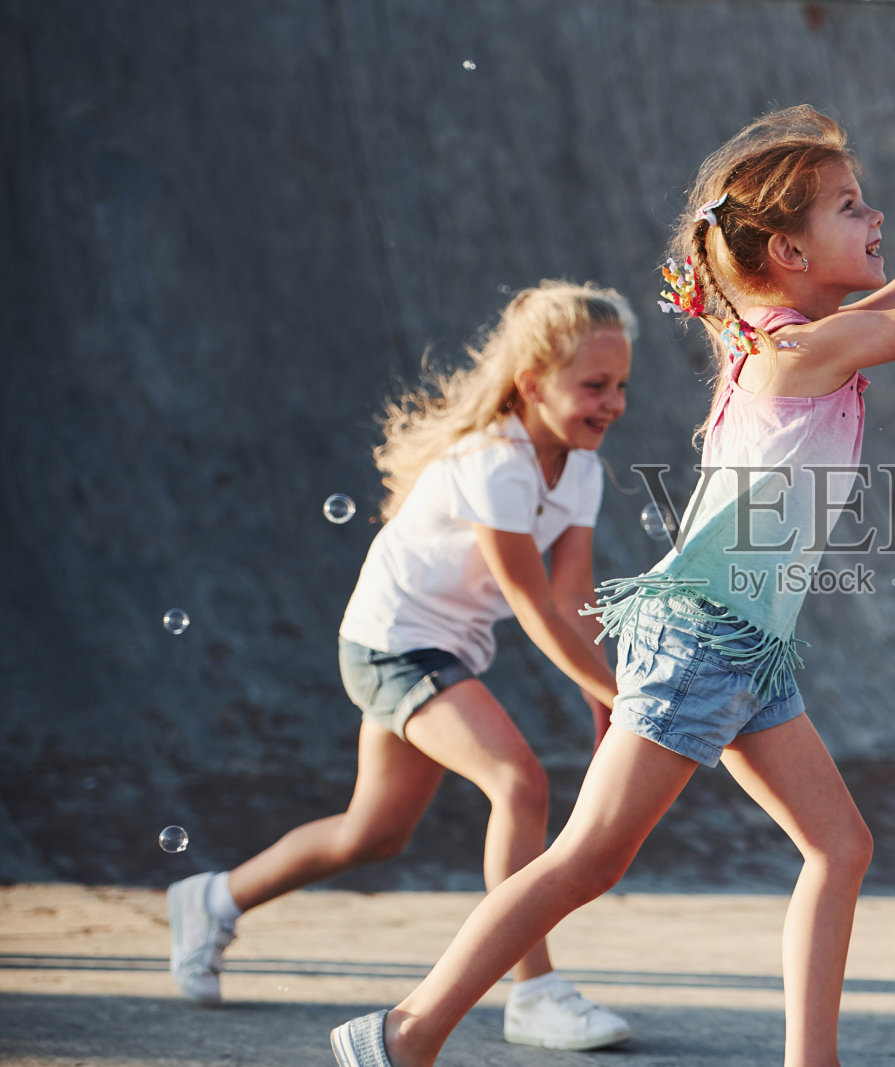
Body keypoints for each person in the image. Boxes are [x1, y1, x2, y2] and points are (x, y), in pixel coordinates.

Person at [328, 105, 895, 1067]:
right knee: (587, 859)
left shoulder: (792, 335)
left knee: (840, 848)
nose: (874, 221)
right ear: (787, 250)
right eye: (849, 207)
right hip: (703, 638)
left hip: (750, 647)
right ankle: (402, 1034)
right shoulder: (798, 352)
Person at [169, 280, 637, 1052]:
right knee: (520, 780)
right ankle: (535, 991)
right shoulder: (496, 463)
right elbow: (530, 603)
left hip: (442, 649)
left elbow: (574, 597)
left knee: (372, 832)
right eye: (593, 385)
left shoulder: (580, 469)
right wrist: (617, 692)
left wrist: (607, 699)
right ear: (532, 384)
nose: (612, 402)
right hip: (393, 643)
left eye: (620, 386)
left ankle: (214, 898)